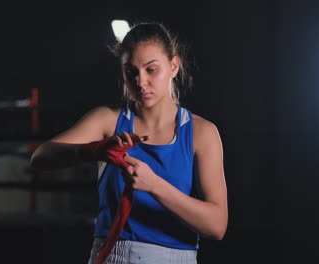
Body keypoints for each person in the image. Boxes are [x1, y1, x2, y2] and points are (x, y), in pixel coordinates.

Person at [30, 21, 227, 264]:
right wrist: (93, 150)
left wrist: (154, 184)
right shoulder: (108, 120)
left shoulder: (201, 132)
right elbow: (40, 158)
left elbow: (217, 226)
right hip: (111, 255)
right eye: (131, 71)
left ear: (173, 66)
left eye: (151, 69)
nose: (140, 81)